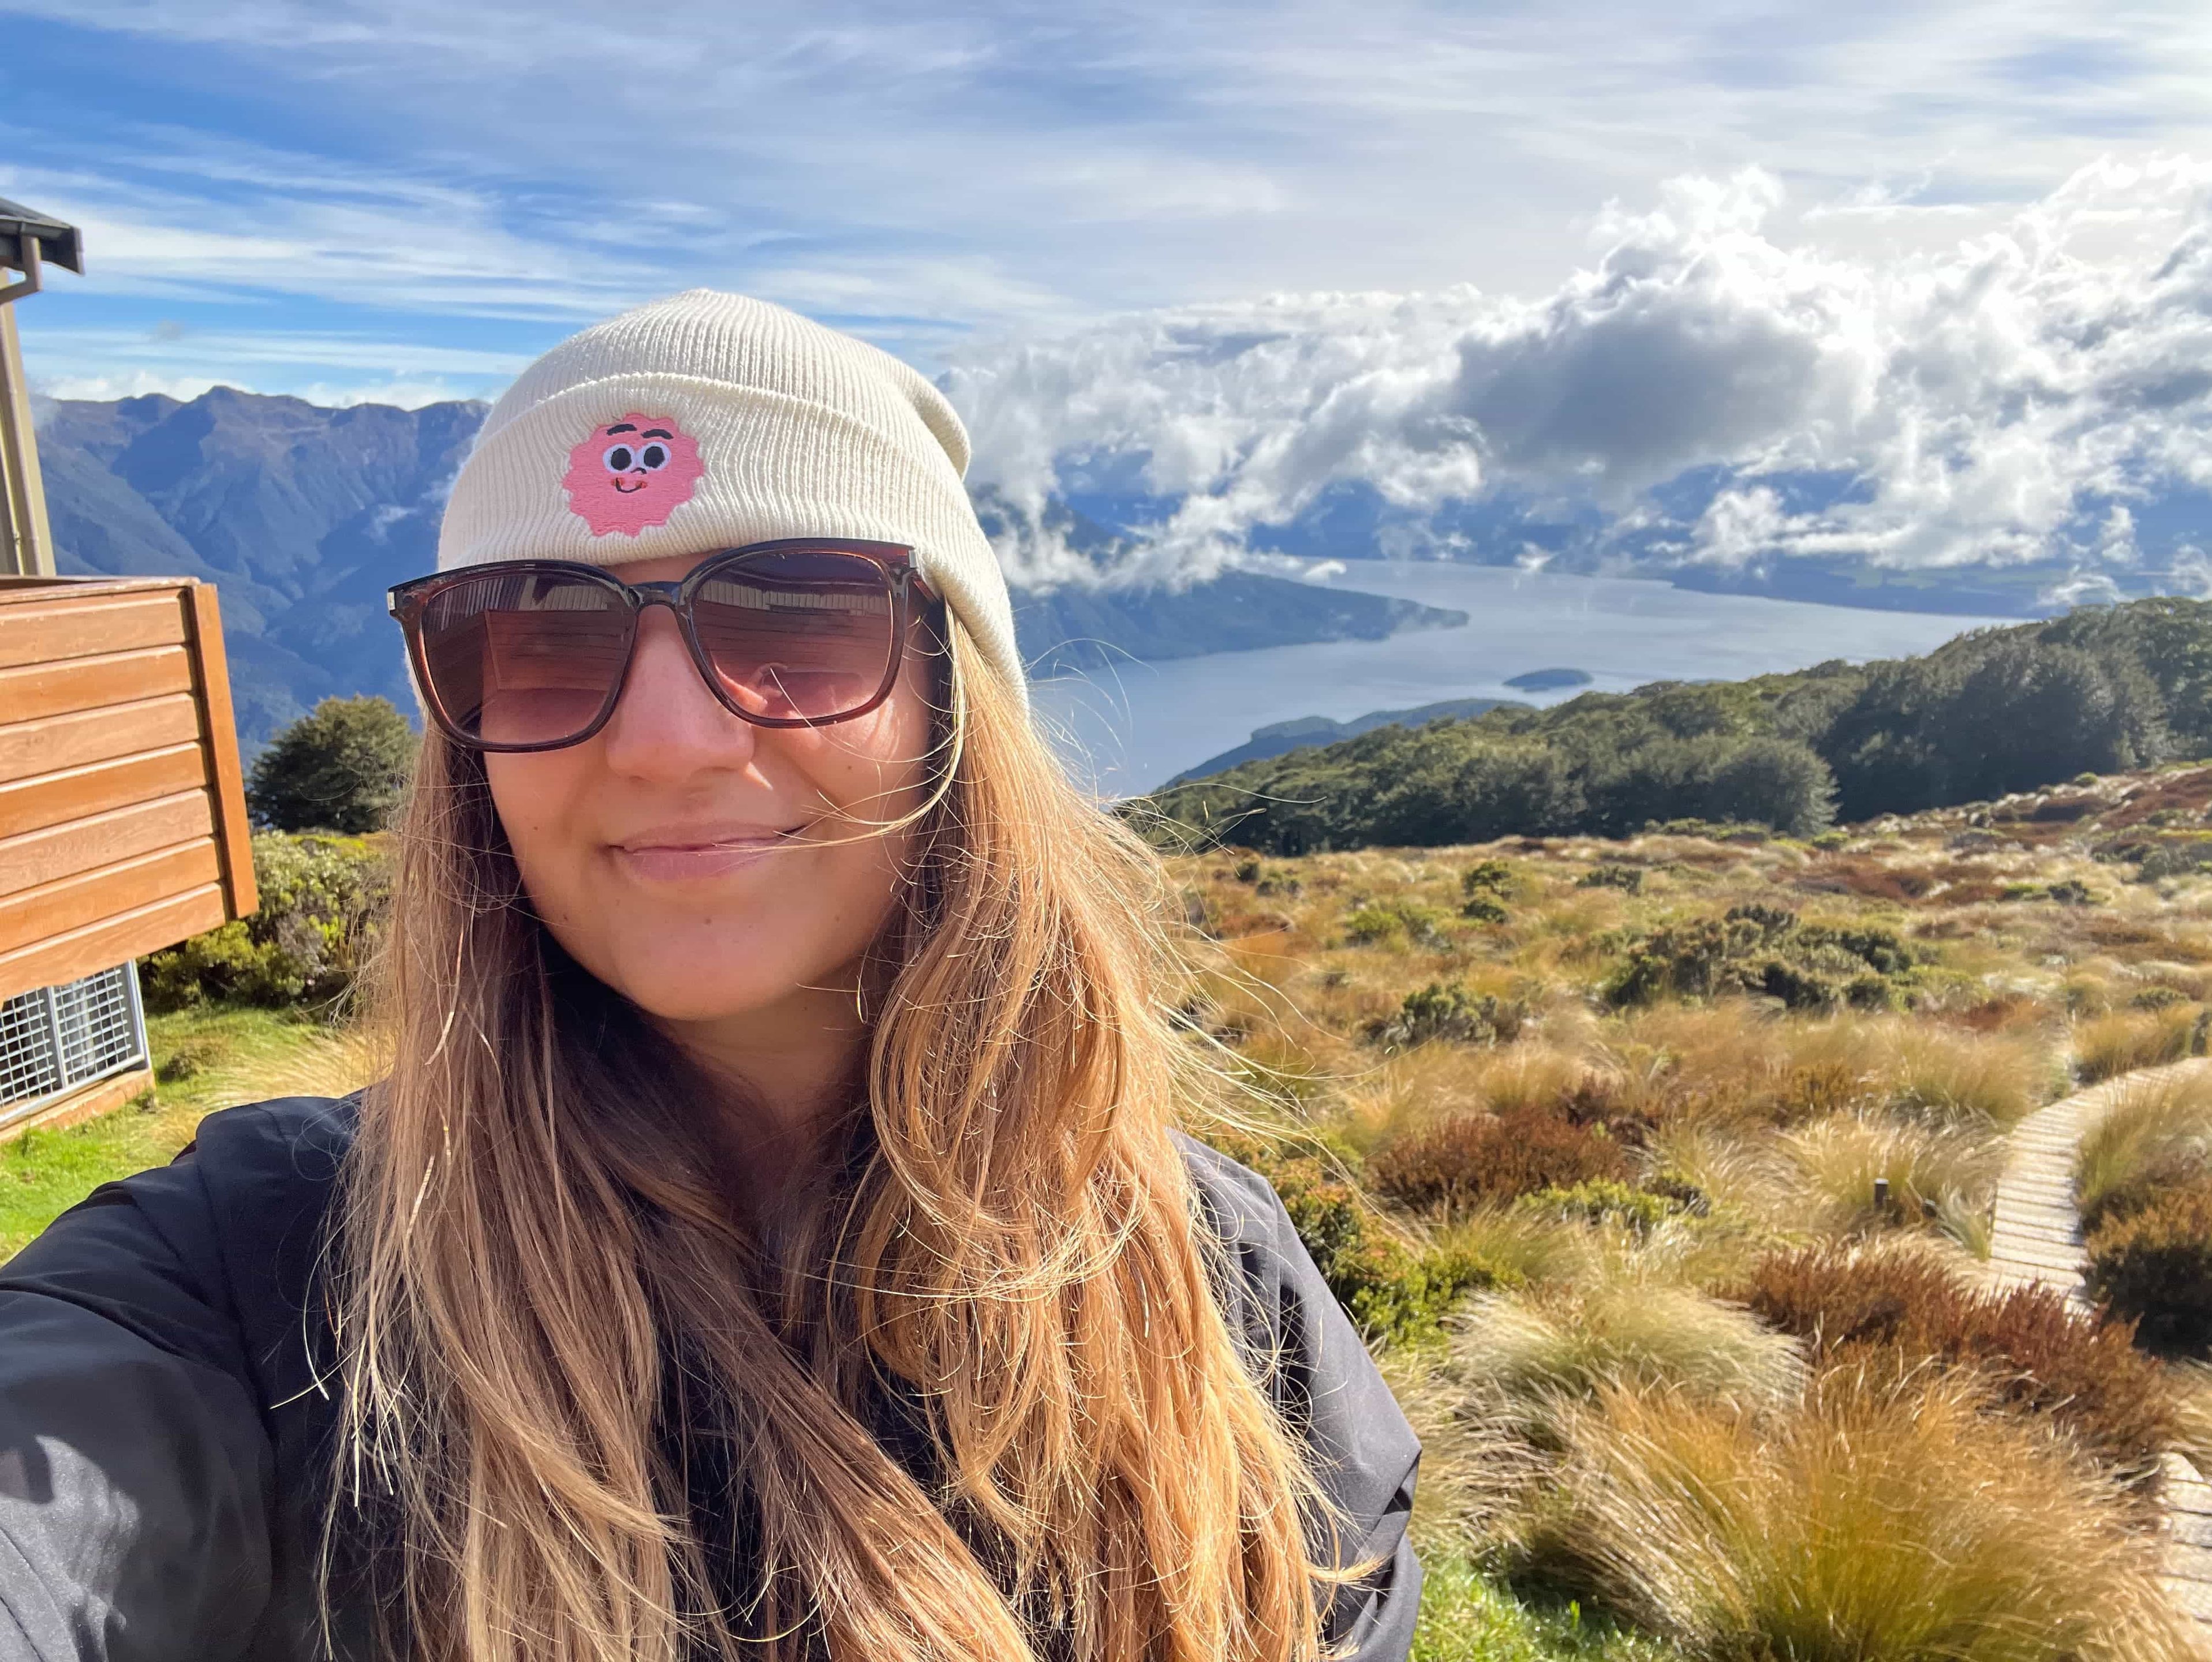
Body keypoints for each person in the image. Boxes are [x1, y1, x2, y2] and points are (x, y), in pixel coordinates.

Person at [0, 291, 1421, 1662]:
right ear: (468, 745)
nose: (671, 741)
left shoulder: (1215, 1290)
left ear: (952, 705)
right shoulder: (261, 1280)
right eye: (541, 635)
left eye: (799, 615)